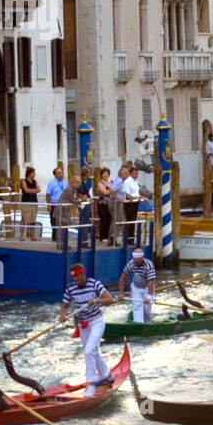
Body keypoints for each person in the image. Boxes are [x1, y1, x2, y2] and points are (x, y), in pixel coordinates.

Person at [59, 263, 117, 395]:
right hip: (83, 324)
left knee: (88, 351)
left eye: (78, 278)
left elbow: (109, 299)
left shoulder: (94, 284)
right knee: (92, 352)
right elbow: (64, 306)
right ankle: (107, 376)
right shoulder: (71, 289)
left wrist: (96, 301)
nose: (75, 281)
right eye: (73, 279)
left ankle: (90, 384)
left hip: (97, 322)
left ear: (83, 274)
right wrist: (62, 315)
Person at [118, 248, 156, 324]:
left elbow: (151, 282)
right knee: (137, 307)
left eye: (137, 260)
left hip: (147, 288)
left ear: (142, 258)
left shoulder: (149, 265)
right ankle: (138, 324)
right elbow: (122, 278)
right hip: (136, 288)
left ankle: (148, 324)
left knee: (146, 311)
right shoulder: (131, 264)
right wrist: (121, 293)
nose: (135, 262)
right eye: (134, 259)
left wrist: (149, 296)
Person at [121, 164, 142, 248]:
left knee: (133, 221)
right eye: (135, 173)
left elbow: (136, 193)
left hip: (135, 203)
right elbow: (126, 194)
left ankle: (132, 238)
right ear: (131, 173)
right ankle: (128, 239)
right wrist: (135, 198)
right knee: (130, 220)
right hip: (129, 203)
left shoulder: (135, 182)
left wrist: (141, 197)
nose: (136, 175)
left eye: (137, 173)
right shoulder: (127, 181)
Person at [46, 165, 69, 243]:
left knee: (63, 220)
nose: (60, 175)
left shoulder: (64, 182)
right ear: (55, 175)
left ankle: (62, 236)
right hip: (55, 204)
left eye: (61, 173)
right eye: (58, 173)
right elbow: (48, 195)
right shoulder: (51, 183)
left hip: (63, 204)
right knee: (54, 220)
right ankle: (55, 236)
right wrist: (49, 205)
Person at [19, 166, 40, 240]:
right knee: (24, 218)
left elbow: (39, 189)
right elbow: (26, 190)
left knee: (33, 219)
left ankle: (32, 235)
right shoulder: (24, 181)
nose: (34, 174)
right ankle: (21, 235)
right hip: (26, 202)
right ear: (29, 174)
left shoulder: (35, 181)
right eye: (33, 173)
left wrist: (32, 190)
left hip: (34, 202)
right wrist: (33, 190)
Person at [94, 167, 114, 242]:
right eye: (104, 173)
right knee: (103, 220)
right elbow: (104, 192)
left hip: (110, 203)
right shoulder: (100, 183)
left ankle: (109, 235)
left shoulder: (111, 182)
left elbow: (114, 191)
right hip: (102, 203)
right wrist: (111, 190)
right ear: (101, 175)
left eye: (107, 173)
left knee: (109, 219)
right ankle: (103, 237)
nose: (106, 175)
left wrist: (110, 190)